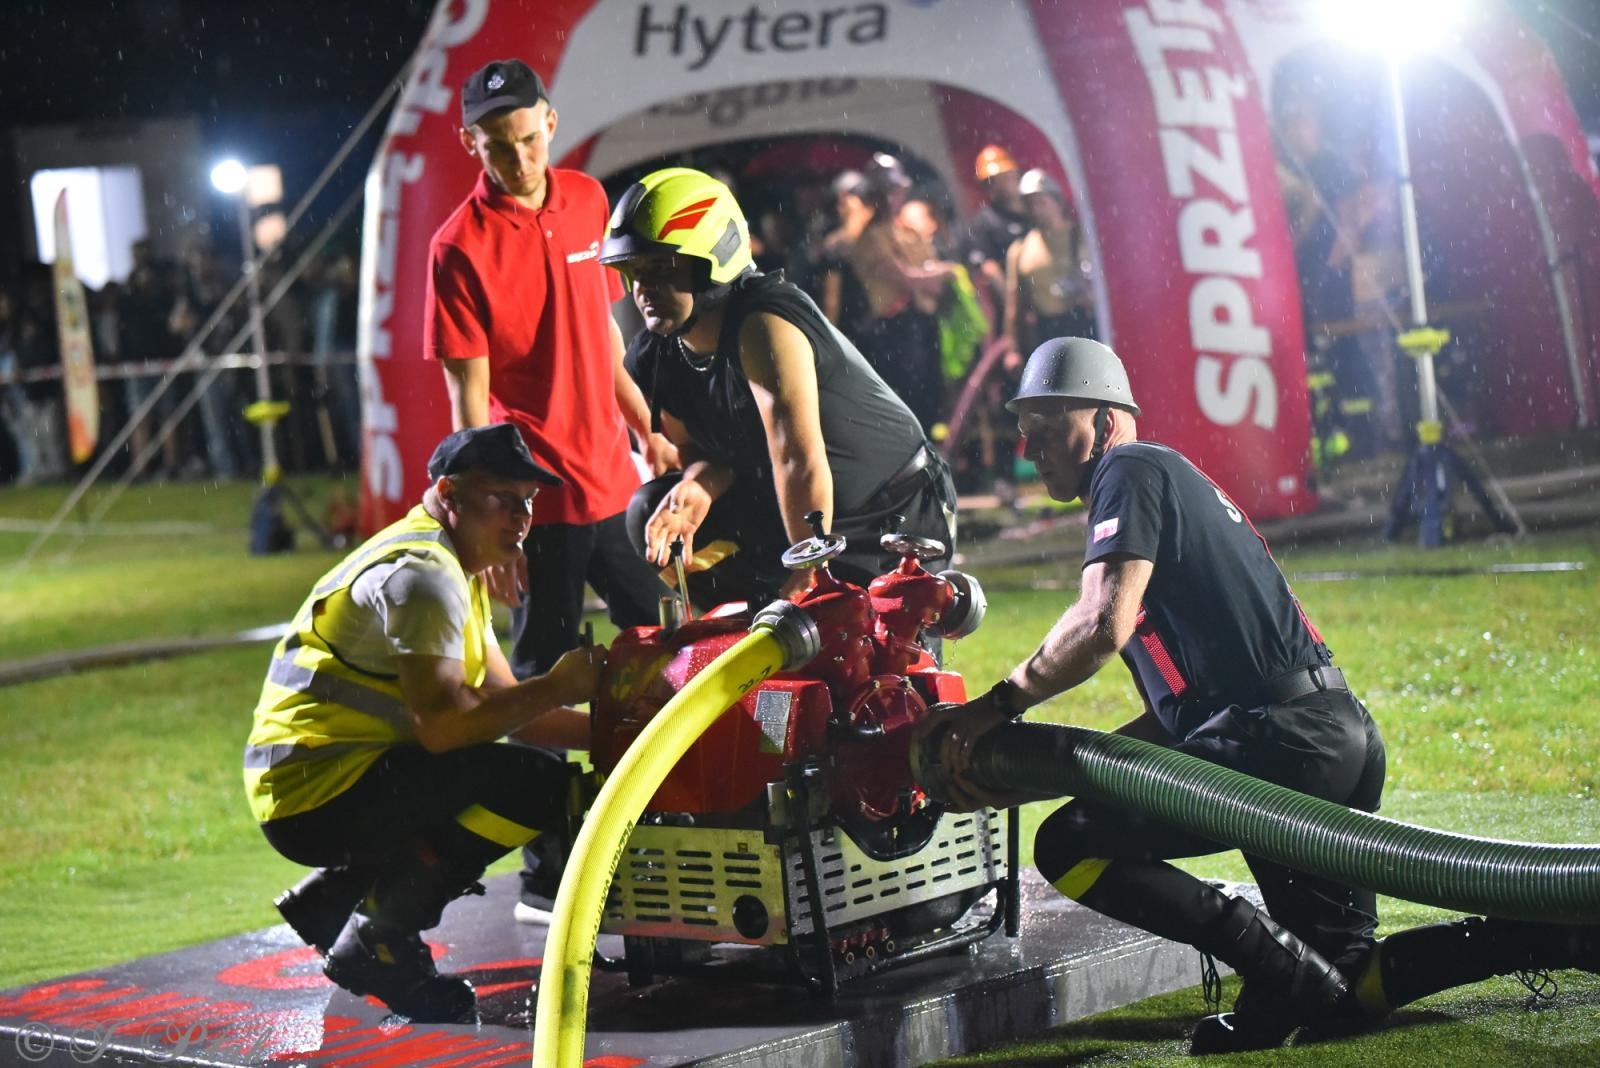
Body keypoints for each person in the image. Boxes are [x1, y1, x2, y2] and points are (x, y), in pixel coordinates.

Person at [922, 337, 1598, 1053]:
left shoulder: (1129, 467)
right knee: (1349, 983)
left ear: (1110, 419)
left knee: (1071, 843)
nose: (1032, 451)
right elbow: (1171, 721)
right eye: (1025, 432)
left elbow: (1099, 623)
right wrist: (1039, 772)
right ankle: (1555, 934)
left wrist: (994, 709)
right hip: (1328, 733)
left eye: (1049, 427)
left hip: (1277, 741)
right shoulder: (1159, 485)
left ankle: (1274, 972)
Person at [245, 423, 605, 1022]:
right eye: (502, 499)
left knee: (526, 776)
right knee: (536, 787)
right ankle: (377, 937)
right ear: (449, 492)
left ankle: (344, 893)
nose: (520, 517)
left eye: (528, 503)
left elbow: (513, 710)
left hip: (319, 778)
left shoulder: (448, 562)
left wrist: (626, 736)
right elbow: (447, 729)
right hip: (315, 795)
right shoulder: (427, 575)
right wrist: (561, 686)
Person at [423, 58, 673, 921]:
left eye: (528, 138)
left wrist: (645, 423)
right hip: (535, 506)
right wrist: (482, 528)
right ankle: (546, 875)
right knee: (537, 682)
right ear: (471, 143)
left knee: (664, 652)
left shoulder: (586, 201)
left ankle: (665, 826)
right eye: (498, 146)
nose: (518, 158)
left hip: (614, 484)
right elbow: (466, 401)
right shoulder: (456, 246)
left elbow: (602, 336)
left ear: (551, 124)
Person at [599, 167, 958, 607]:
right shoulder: (652, 356)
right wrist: (698, 484)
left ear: (713, 257)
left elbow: (797, 458)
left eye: (662, 267)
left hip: (891, 510)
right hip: (801, 512)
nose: (645, 288)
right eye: (635, 270)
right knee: (649, 508)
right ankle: (751, 630)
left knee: (879, 664)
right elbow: (706, 457)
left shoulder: (764, 321)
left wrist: (808, 567)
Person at [848, 153, 956, 434]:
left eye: (894, 191)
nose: (892, 198)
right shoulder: (871, 237)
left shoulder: (905, 230)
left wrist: (932, 276)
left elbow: (929, 275)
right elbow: (906, 277)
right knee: (907, 398)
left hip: (923, 323)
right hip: (894, 330)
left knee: (931, 393)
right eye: (885, 192)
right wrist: (937, 274)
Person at [1003, 169, 1095, 357]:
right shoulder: (1020, 250)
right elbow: (1014, 307)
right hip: (1049, 333)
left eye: (1041, 202)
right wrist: (1011, 350)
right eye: (1030, 205)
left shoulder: (1085, 236)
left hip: (1086, 326)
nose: (1036, 210)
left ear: (1057, 201)